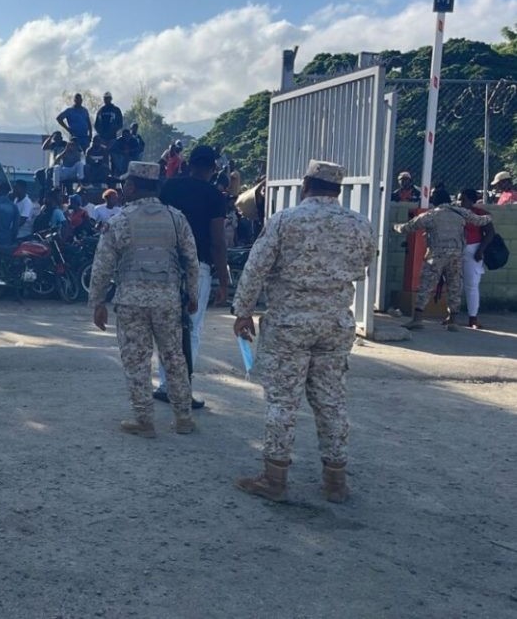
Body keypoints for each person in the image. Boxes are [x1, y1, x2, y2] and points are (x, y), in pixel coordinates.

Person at [231, 160, 376, 504]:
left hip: (289, 325)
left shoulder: (285, 221)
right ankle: (335, 481)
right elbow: (365, 264)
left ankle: (274, 477)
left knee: (282, 401)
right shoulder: (360, 224)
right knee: (331, 401)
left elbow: (256, 268)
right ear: (337, 190)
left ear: (305, 185)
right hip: (335, 324)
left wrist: (243, 312)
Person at [88, 161, 199, 437]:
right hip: (168, 299)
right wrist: (193, 295)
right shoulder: (176, 218)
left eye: (126, 184)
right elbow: (191, 260)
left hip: (131, 302)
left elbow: (101, 265)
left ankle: (144, 421)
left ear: (133, 186)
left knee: (136, 360)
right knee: (174, 357)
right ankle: (184, 418)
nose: (124, 188)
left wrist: (97, 303)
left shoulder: (120, 220)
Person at [153, 145, 230, 409]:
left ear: (189, 163)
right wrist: (225, 279)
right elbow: (218, 241)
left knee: (166, 326)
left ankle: (164, 384)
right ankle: (181, 386)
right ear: (214, 167)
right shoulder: (215, 196)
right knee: (192, 330)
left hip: (166, 264)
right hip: (199, 267)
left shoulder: (170, 187)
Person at [395, 187, 492, 331]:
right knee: (455, 286)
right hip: (456, 255)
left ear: (435, 201)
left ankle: (417, 319)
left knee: (426, 286)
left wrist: (394, 227)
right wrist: (489, 216)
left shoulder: (431, 215)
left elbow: (408, 228)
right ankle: (452, 320)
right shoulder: (461, 212)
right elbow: (481, 220)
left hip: (436, 255)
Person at [459, 188, 495, 329]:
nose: (461, 202)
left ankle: (473, 317)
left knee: (472, 284)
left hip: (473, 249)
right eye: (460, 199)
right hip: (456, 250)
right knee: (454, 284)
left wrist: (481, 250)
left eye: (464, 199)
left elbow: (490, 233)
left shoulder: (480, 214)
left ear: (471, 200)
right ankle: (451, 316)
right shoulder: (456, 213)